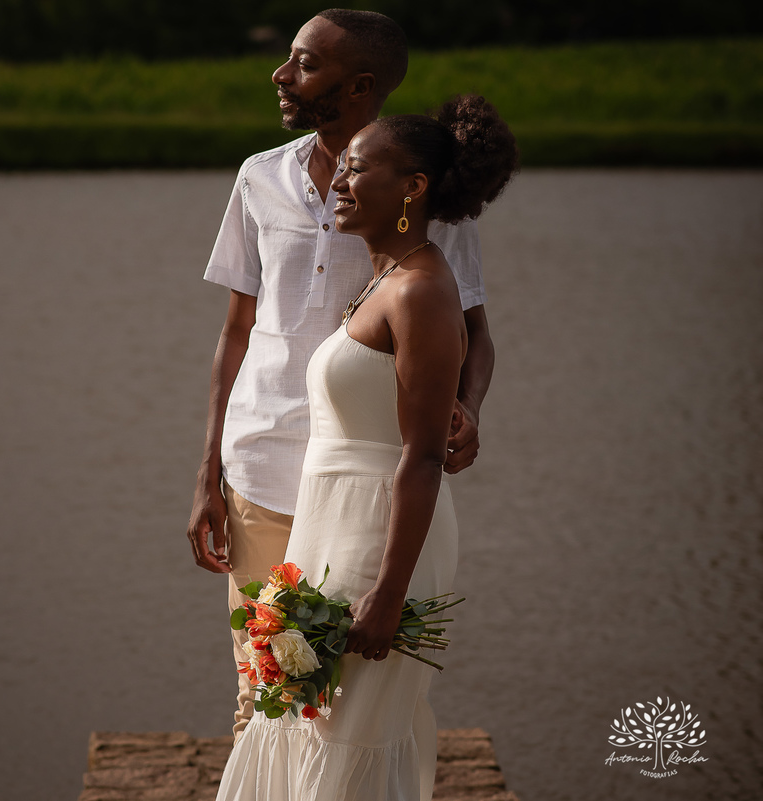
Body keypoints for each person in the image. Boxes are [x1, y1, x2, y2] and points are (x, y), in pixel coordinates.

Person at [186, 9, 495, 738]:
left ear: (359, 85)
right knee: (264, 692)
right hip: (258, 470)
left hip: (366, 486)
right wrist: (208, 474)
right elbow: (236, 333)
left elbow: (474, 334)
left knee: (352, 703)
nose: (281, 74)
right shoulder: (259, 178)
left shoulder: (425, 194)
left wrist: (470, 406)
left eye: (303, 63)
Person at [214, 95, 519, 801]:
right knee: (308, 715)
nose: (340, 186)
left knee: (347, 731)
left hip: (379, 536)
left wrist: (388, 592)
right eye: (342, 171)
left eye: (357, 171)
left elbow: (420, 457)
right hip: (332, 526)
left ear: (412, 188)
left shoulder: (422, 290)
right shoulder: (388, 277)